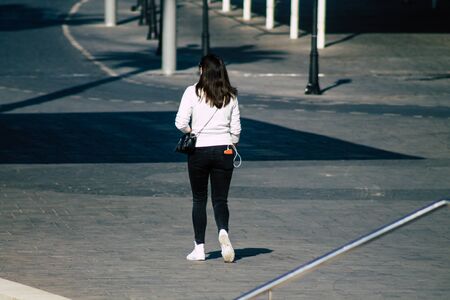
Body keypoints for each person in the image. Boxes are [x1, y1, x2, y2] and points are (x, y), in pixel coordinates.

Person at [175, 54, 241, 263]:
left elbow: (180, 123)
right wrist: (229, 141)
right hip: (224, 150)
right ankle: (223, 231)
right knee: (220, 200)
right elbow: (236, 130)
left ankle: (199, 248)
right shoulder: (230, 95)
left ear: (202, 70)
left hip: (199, 151)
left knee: (199, 199)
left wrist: (192, 131)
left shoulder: (192, 92)